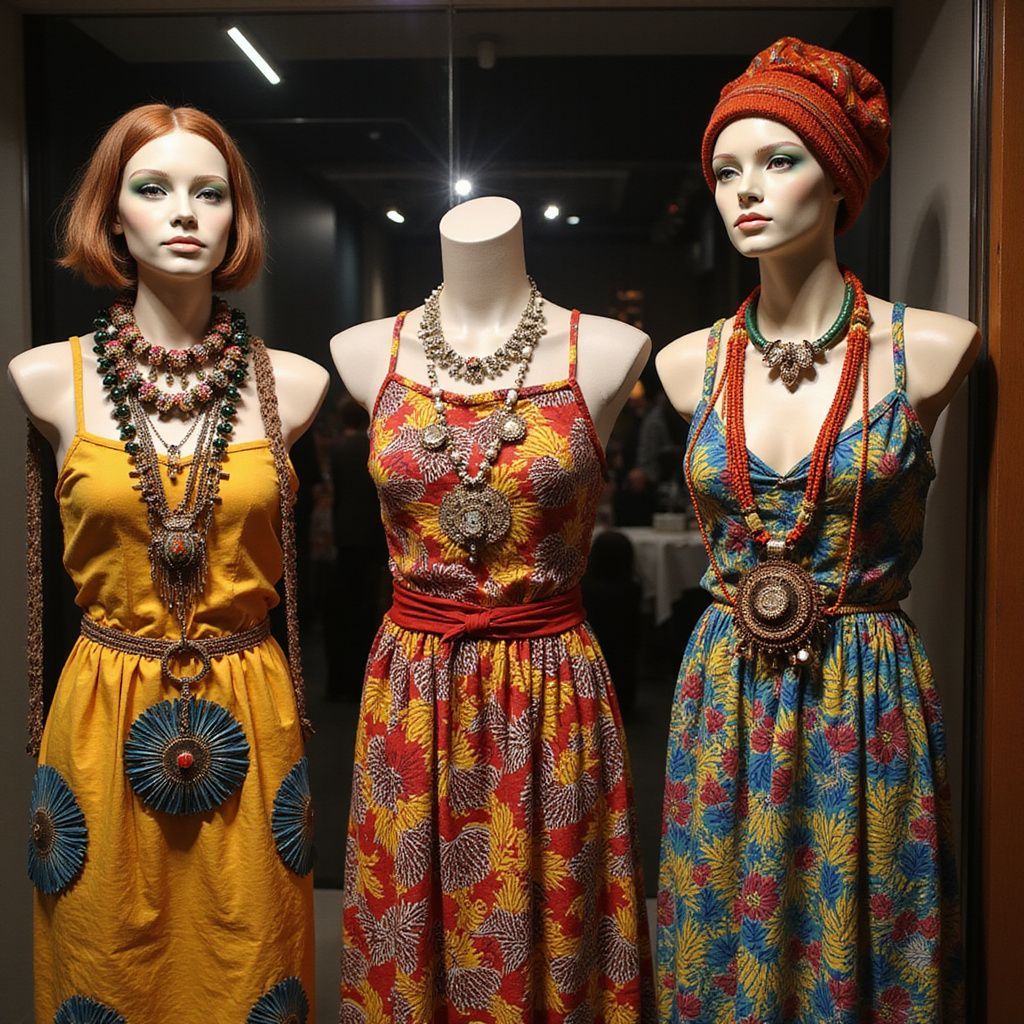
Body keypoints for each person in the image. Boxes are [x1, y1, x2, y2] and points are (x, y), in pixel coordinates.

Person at [655, 39, 978, 1023]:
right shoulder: (687, 364)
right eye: (724, 169)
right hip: (726, 691)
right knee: (718, 941)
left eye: (778, 160)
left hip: (865, 691)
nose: (743, 191)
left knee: (865, 937)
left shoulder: (925, 349)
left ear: (838, 178)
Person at [8, 104, 328, 1021]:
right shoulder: (47, 377)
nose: (184, 212)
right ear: (113, 216)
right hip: (104, 714)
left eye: (209, 193)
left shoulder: (295, 384)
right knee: (103, 960)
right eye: (153, 189)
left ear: (237, 220)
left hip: (248, 703)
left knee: (252, 960)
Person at [331, 196, 655, 1020]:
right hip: (412, 691)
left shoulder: (605, 349)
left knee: (552, 927)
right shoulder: (368, 350)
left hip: (551, 692)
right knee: (410, 933)